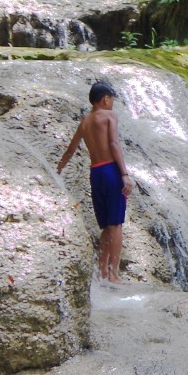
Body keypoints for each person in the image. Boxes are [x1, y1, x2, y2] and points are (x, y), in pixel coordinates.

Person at [57, 80, 132, 283]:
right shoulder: (109, 116)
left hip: (96, 173)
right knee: (116, 224)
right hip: (111, 170)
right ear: (105, 99)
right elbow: (114, 143)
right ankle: (114, 274)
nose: (113, 104)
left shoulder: (85, 122)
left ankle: (102, 272)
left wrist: (59, 168)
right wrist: (124, 174)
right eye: (112, 100)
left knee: (106, 225)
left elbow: (71, 149)